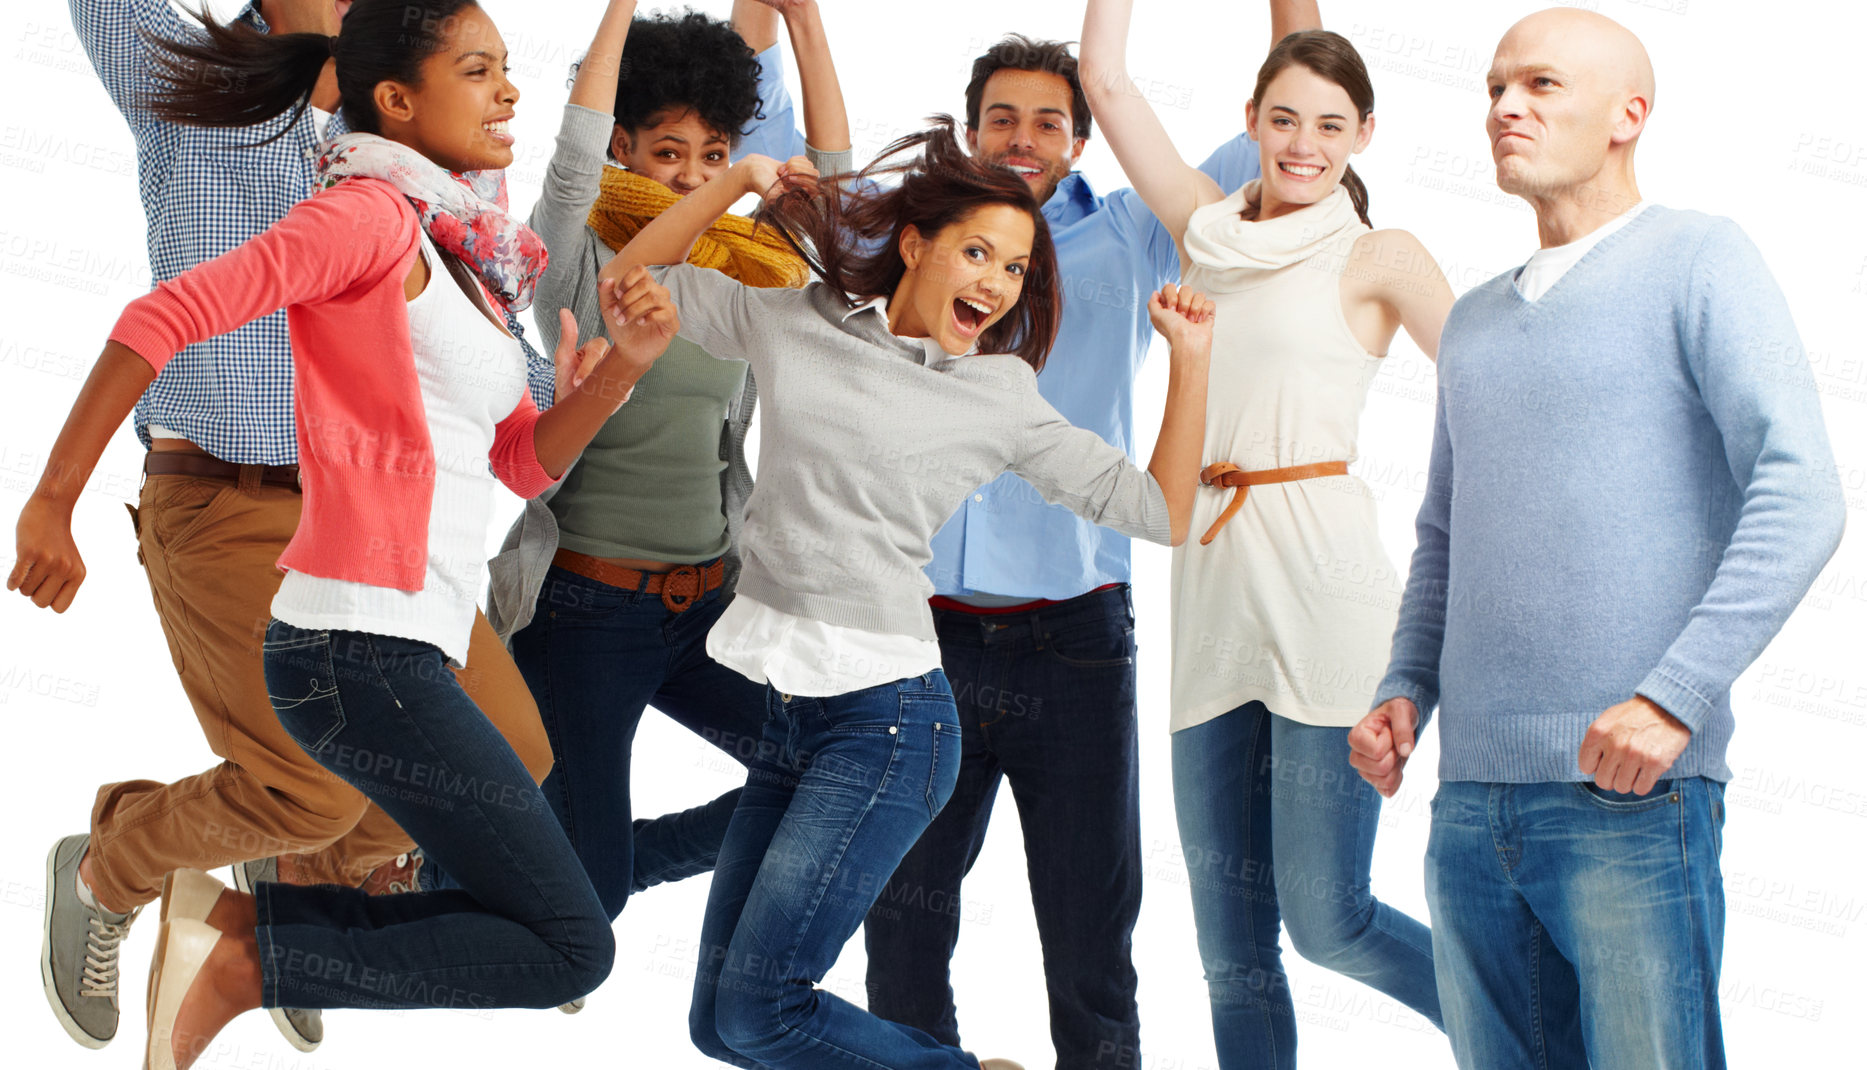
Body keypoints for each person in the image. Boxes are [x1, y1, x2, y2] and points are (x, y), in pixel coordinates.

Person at [9, 2, 686, 1066]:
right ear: (401, 95)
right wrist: (52, 499)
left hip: (389, 548)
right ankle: (116, 868)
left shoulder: (452, 218)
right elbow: (163, 317)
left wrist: (616, 374)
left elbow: (516, 454)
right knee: (311, 788)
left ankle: (298, 888)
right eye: (482, 69)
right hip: (233, 498)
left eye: (502, 67)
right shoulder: (242, 116)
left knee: (515, 749)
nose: (507, 90)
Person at [597, 119, 1214, 1070]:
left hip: (887, 728)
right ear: (917, 244)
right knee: (719, 1026)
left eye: (1016, 268)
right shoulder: (796, 321)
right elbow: (626, 284)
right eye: (978, 252)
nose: (996, 283)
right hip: (791, 722)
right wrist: (737, 182)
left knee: (764, 1014)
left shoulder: (998, 394)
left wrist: (1191, 359)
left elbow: (1160, 512)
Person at [1349, 9, 1845, 1069]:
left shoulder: (1698, 257)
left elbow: (1802, 488)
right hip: (1469, 805)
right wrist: (1405, 686)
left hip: (1632, 802)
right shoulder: (1472, 320)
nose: (1503, 107)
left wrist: (1674, 695)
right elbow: (1444, 534)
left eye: (1539, 84)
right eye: (1493, 87)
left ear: (1629, 114)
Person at [858, 9, 1303, 1068]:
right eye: (1001, 117)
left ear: (1083, 137)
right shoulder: (914, 242)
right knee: (901, 920)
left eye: (1047, 121)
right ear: (970, 131)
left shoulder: (1139, 232)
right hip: (916, 637)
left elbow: (1287, 120)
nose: (1022, 137)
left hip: (1073, 641)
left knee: (1090, 937)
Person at [1079, 1, 1453, 1065]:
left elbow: (1497, 386)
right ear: (1250, 120)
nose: (1302, 145)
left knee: (1330, 919)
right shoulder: (1204, 228)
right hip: (1211, 594)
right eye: (1283, 119)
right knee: (1230, 954)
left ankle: (1541, 1036)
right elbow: (1104, 81)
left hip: (1328, 598)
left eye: (1330, 125)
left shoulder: (1380, 256)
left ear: (1364, 134)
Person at [487, 0, 852, 985]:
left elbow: (833, 190)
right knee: (589, 913)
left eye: (712, 156)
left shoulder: (746, 274)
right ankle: (459, 873)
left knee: (831, 767)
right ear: (625, 150)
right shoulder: (577, 258)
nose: (691, 176)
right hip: (586, 613)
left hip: (707, 608)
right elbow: (574, 159)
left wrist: (805, 24)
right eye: (668, 153)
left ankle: (570, 871)